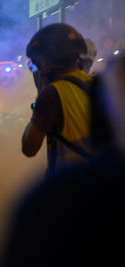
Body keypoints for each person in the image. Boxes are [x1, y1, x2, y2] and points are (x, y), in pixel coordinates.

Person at [0, 55, 125, 267]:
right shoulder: (89, 84)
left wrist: (40, 102)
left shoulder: (54, 196)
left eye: (37, 65)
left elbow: (29, 147)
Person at [22, 23, 97, 176]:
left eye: (37, 64)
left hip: (70, 188)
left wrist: (41, 93)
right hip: (101, 184)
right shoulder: (94, 84)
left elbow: (29, 148)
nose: (38, 71)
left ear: (45, 62)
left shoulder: (51, 94)